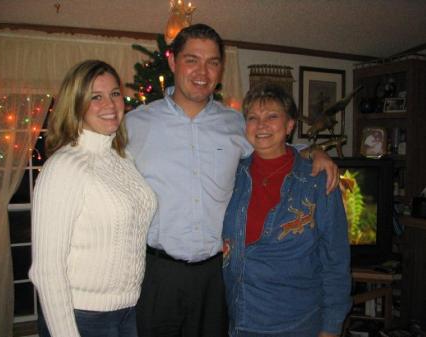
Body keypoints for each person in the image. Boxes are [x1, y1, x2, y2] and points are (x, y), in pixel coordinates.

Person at [126, 24, 339, 337]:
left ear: (220, 69)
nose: (203, 71)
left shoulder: (236, 123)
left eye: (212, 62)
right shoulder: (135, 124)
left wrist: (314, 150)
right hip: (158, 274)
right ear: (172, 62)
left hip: (216, 276)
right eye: (192, 60)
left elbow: (273, 141)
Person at [29, 60, 157, 337]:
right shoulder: (64, 167)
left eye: (114, 94)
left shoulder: (122, 158)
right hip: (81, 316)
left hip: (128, 311)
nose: (110, 105)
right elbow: (46, 269)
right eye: (95, 97)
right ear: (76, 104)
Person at [222, 82, 351, 337]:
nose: (261, 125)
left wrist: (331, 327)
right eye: (253, 118)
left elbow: (336, 260)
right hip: (240, 319)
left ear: (290, 125)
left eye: (272, 116)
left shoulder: (317, 179)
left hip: (298, 323)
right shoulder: (232, 174)